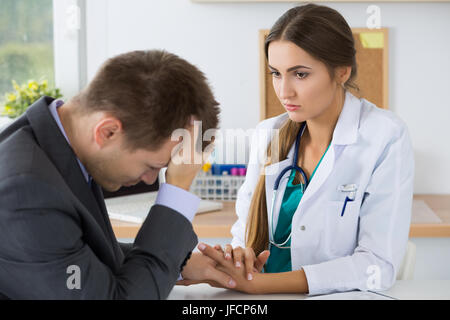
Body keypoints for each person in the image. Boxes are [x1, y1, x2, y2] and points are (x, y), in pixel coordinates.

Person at [180, 3, 414, 295]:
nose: (284, 91)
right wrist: (238, 261)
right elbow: (245, 232)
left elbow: (376, 266)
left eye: (300, 74)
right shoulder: (268, 134)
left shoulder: (384, 136)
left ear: (341, 72)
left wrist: (261, 285)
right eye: (276, 73)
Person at [0, 50, 231, 299]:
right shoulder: (25, 190)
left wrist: (178, 264)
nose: (150, 180)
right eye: (153, 166)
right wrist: (177, 190)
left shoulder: (52, 145)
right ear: (108, 132)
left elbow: (73, 253)